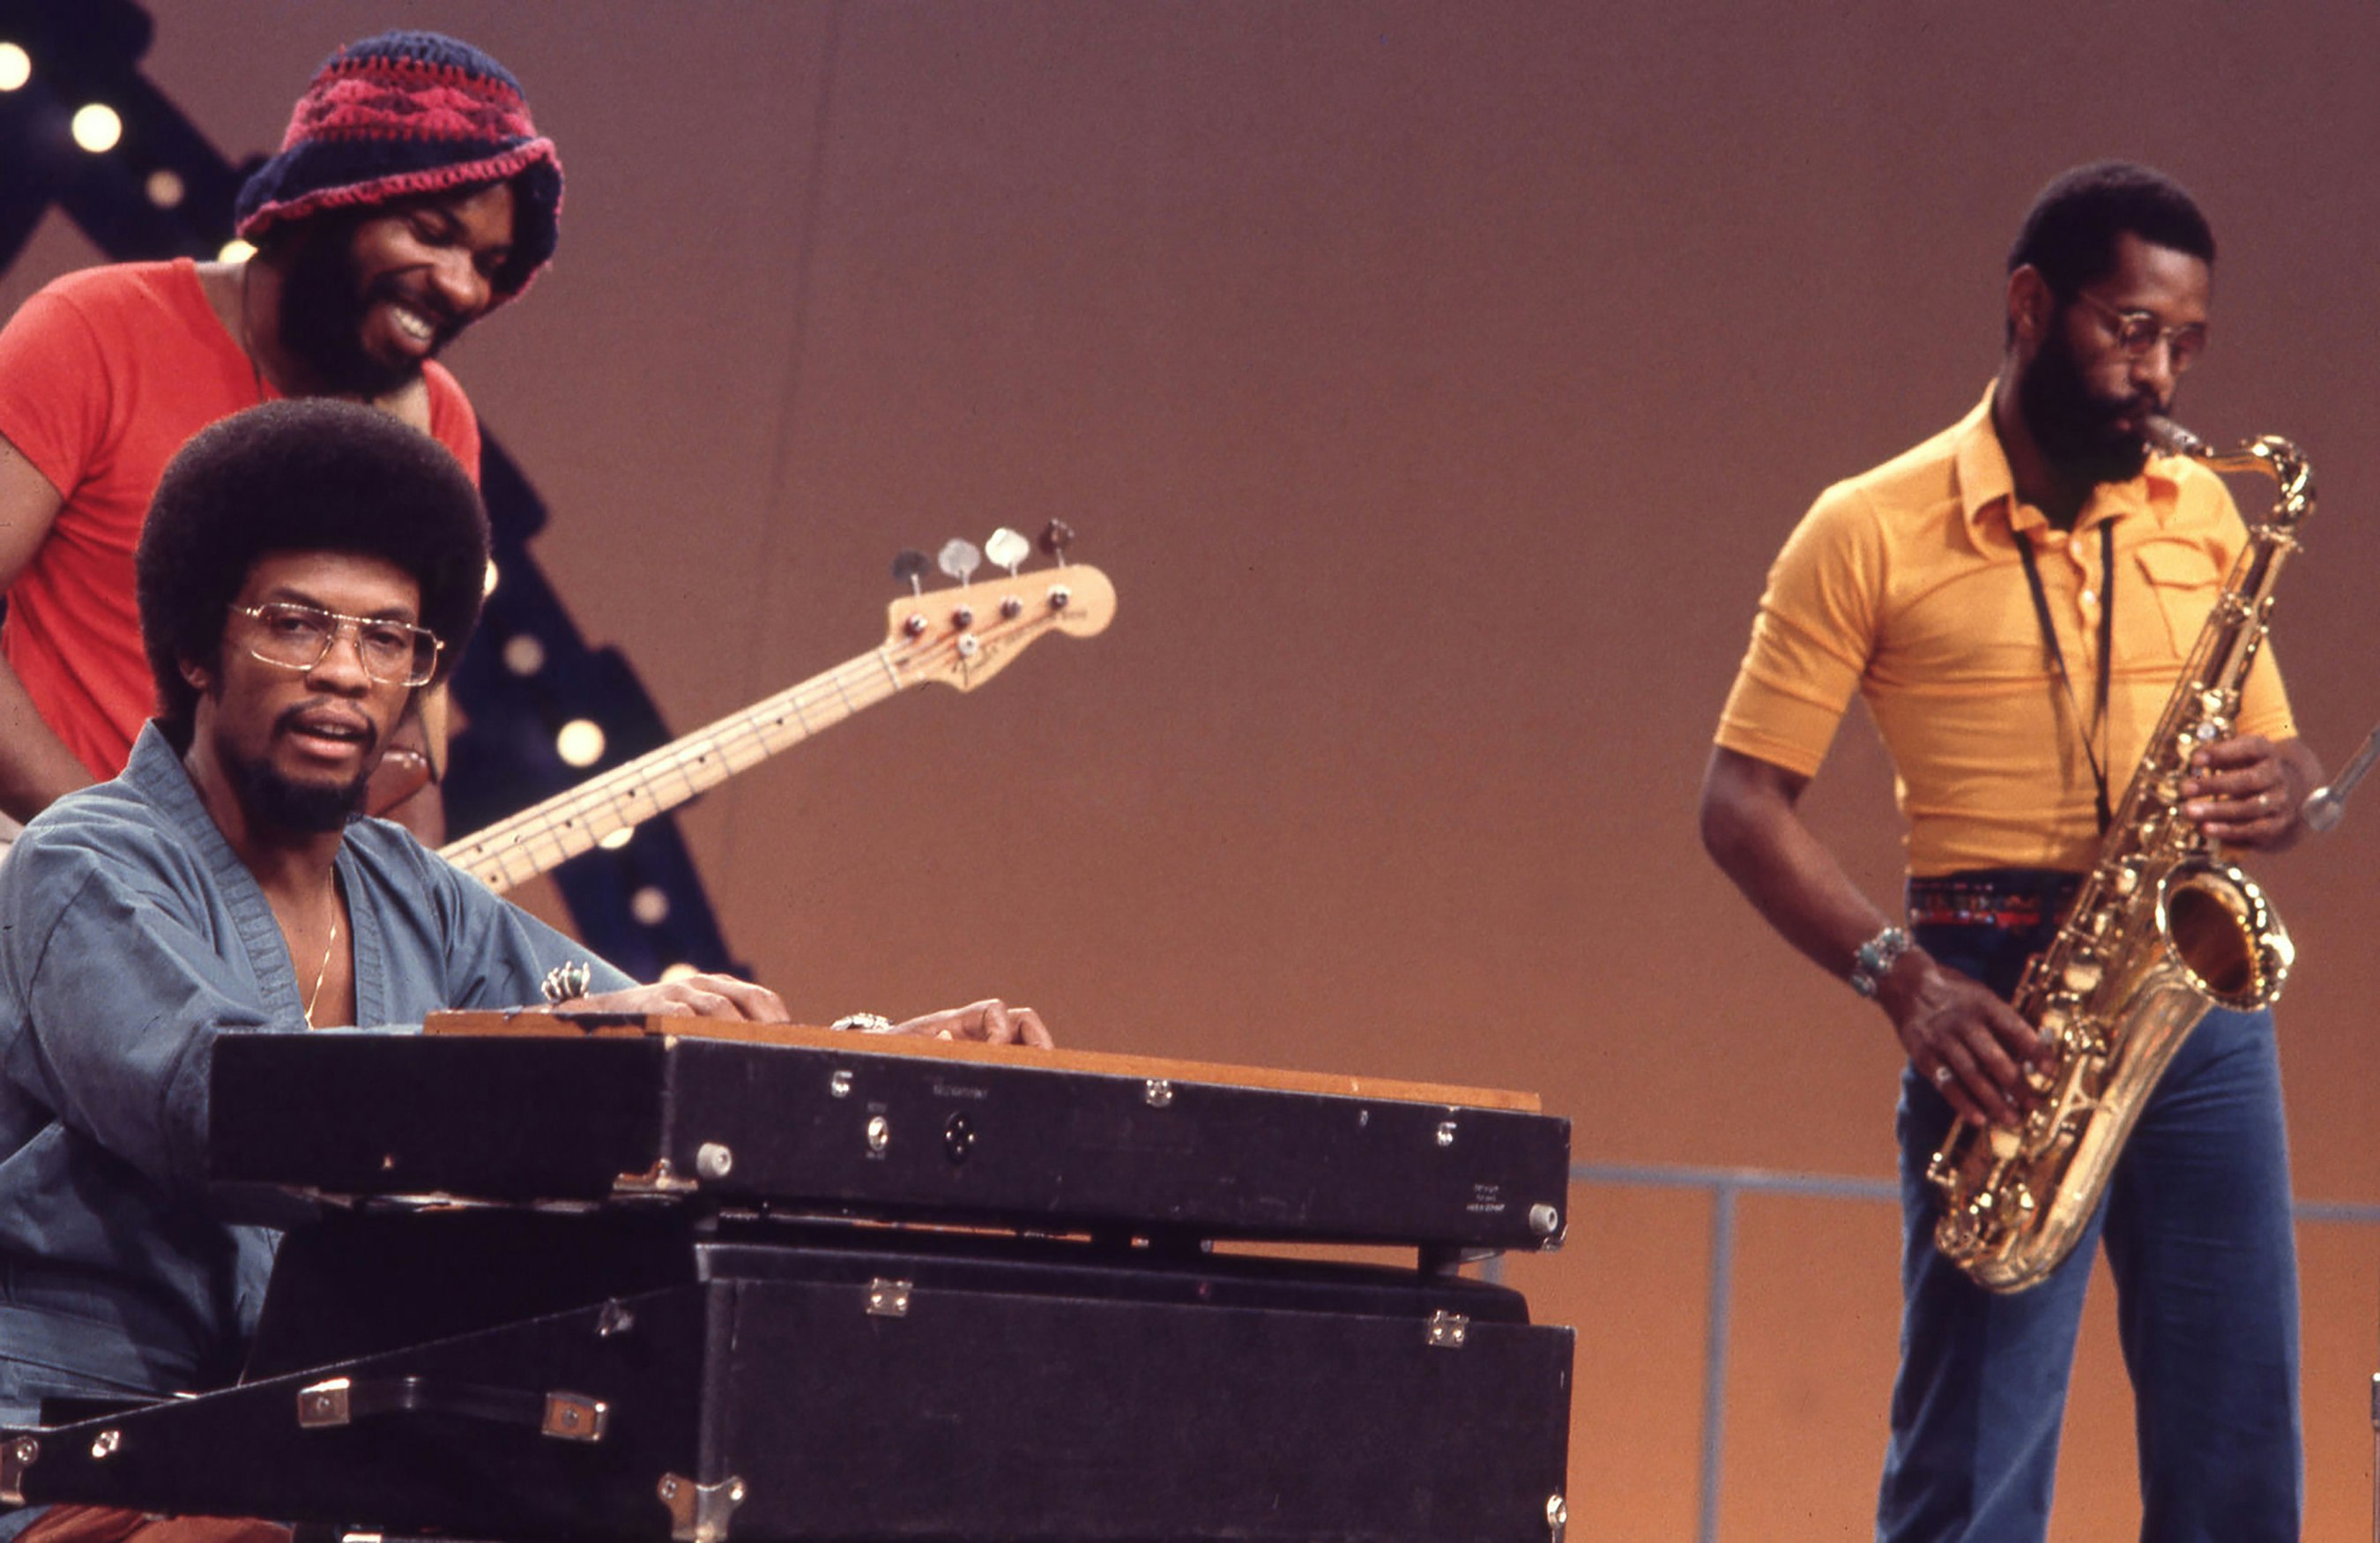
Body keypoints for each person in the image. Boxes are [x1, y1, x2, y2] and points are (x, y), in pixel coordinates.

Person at [0, 401, 1049, 1543]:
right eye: (296, 625)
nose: (345, 671)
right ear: (198, 647)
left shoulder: (415, 891)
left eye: (388, 638)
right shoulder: (84, 861)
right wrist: (567, 1045)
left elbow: (651, 1072)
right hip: (63, 1448)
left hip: (299, 1455)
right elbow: (204, 1099)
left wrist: (880, 1060)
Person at [1699, 161, 2318, 1541]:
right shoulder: (1867, 525)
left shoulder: (2205, 509)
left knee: (2241, 1440)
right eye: (2131, 329)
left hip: (2192, 992)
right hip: (1993, 988)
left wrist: (2281, 790)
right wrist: (1904, 978)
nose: (2161, 375)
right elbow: (1739, 802)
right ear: (2031, 304)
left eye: (2186, 342)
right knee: (1973, 1458)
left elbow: (2284, 760)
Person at [0, 29, 567, 842]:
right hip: (42, 862)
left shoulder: (435, 427)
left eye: (489, 263)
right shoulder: (96, 327)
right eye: (432, 232)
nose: (461, 286)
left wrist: (418, 915)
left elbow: (402, 743)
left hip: (244, 906)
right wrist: (119, 848)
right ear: (327, 201)